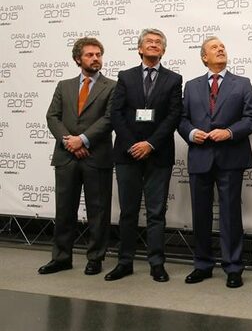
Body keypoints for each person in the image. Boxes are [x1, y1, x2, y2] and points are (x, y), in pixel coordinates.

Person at [177, 37, 252, 288]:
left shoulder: (242, 83)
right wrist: (192, 133)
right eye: (214, 47)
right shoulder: (191, 86)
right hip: (200, 157)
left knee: (230, 214)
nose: (221, 49)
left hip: (231, 157)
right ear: (204, 57)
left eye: (223, 46)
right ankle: (202, 265)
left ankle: (233, 267)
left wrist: (229, 132)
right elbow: (181, 119)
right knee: (200, 214)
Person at [105, 28, 183, 283]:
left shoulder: (174, 79)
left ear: (164, 50)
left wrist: (150, 144)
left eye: (158, 42)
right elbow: (116, 113)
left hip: (158, 154)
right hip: (127, 154)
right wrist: (133, 144)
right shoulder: (125, 77)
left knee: (156, 212)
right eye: (149, 41)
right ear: (140, 48)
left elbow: (173, 116)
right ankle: (124, 262)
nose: (153, 44)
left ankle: (157, 263)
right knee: (128, 212)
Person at [40, 37, 116, 276]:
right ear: (77, 59)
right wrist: (70, 142)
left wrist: (82, 139)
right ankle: (61, 258)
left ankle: (95, 258)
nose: (95, 58)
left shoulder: (113, 87)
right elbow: (52, 117)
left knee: (98, 211)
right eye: (90, 55)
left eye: (98, 54)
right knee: (64, 210)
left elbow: (109, 119)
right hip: (67, 157)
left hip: (97, 156)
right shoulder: (64, 86)